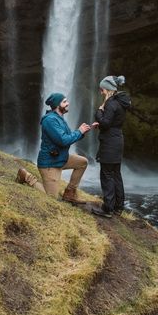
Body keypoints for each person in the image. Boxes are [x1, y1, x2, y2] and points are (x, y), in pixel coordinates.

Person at [16, 92, 93, 204]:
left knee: (82, 162)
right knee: (51, 197)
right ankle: (26, 176)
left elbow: (68, 138)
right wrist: (79, 132)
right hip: (49, 163)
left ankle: (69, 193)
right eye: (64, 101)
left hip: (60, 158)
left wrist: (83, 131)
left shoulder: (59, 118)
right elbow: (63, 141)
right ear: (57, 105)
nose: (68, 103)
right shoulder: (49, 120)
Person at [92, 75, 131, 218]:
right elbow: (112, 123)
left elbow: (106, 123)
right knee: (116, 174)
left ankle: (107, 208)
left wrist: (99, 111)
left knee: (107, 174)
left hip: (109, 143)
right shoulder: (121, 102)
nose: (101, 92)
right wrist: (102, 123)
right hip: (117, 140)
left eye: (102, 89)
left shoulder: (110, 103)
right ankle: (118, 207)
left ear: (107, 89)